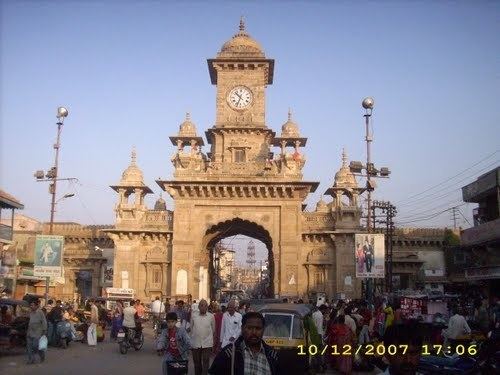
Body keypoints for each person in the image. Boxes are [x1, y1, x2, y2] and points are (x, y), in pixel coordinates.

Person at [209, 311, 279, 375]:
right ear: (242, 329)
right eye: (249, 328)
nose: (254, 332)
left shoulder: (272, 356)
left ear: (263, 330)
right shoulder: (229, 354)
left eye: (258, 328)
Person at [190, 299, 215, 375]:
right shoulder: (193, 316)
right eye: (201, 305)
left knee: (206, 360)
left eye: (205, 306)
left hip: (207, 343)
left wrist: (209, 339)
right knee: (197, 362)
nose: (203, 307)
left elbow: (213, 329)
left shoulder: (211, 316)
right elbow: (191, 328)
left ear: (207, 307)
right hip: (196, 342)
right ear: (198, 307)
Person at [27, 299, 47, 364]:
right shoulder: (30, 312)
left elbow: (44, 322)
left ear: (36, 306)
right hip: (30, 332)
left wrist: (44, 330)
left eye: (32, 305)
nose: (31, 306)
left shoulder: (40, 312)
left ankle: (42, 354)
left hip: (37, 332)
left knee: (35, 346)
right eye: (30, 305)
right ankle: (31, 359)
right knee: (29, 347)